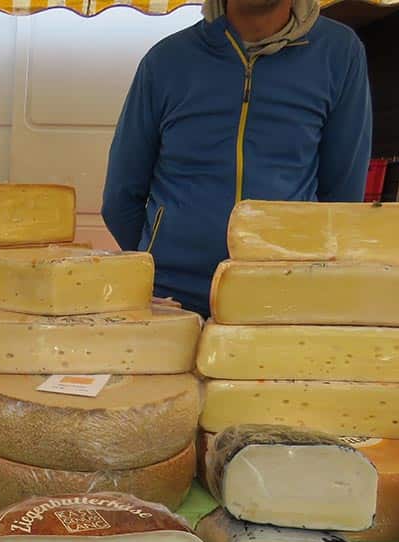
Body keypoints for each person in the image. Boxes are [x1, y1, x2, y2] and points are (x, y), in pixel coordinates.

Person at [102, 0, 372, 316]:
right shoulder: (165, 61)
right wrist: (154, 261)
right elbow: (121, 198)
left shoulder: (339, 53)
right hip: (171, 299)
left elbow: (342, 199)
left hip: (283, 299)